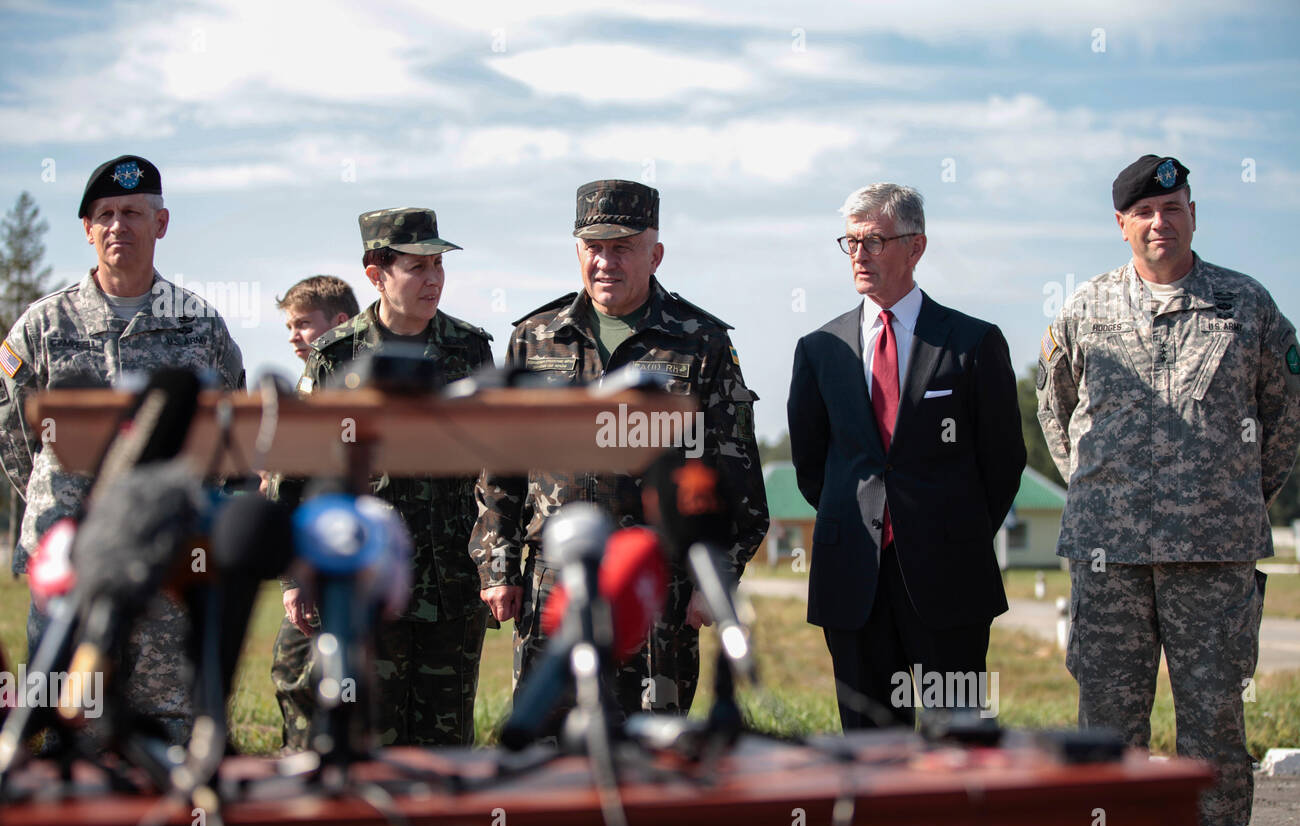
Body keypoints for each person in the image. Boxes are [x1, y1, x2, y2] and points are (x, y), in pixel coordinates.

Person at [1036, 155, 1300, 826]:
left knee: (1214, 729)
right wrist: (1101, 492)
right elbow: (1055, 409)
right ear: (1121, 225)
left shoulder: (1248, 306)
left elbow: (1284, 417)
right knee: (1107, 732)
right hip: (1107, 558)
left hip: (1214, 559)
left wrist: (1235, 495)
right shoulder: (1085, 308)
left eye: (1174, 207)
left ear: (1193, 214)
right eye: (1145, 213)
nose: (1161, 222)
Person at [472, 179, 769, 721]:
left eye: (622, 248)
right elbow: (499, 469)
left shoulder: (700, 342)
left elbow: (737, 477)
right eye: (593, 248)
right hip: (553, 586)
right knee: (549, 747)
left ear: (655, 255)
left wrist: (717, 579)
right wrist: (499, 567)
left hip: (661, 588)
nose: (605, 262)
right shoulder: (535, 338)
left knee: (652, 755)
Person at [0, 154, 245, 745]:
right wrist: (57, 497)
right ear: (87, 229)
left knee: (171, 724)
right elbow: (10, 429)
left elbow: (230, 435)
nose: (118, 226)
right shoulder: (43, 325)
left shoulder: (200, 326)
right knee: (64, 722)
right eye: (104, 214)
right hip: (72, 558)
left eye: (133, 213)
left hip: (167, 556)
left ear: (160, 224)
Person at [787, 183, 1024, 733]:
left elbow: (1003, 461)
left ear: (915, 247)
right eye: (851, 243)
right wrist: (868, 521)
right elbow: (813, 467)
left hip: (950, 579)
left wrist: (948, 530)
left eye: (874, 241)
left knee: (959, 743)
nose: (860, 256)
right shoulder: (821, 350)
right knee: (870, 752)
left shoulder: (972, 342)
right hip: (854, 583)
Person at [274, 208, 493, 748]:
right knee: (366, 738)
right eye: (417, 266)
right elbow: (294, 470)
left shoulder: (470, 349)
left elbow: (498, 465)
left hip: (452, 585)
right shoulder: (335, 355)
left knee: (448, 748)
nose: (434, 279)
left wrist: (496, 564)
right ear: (375, 272)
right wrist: (296, 577)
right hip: (363, 582)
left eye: (438, 264)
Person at [265, 275, 358, 751]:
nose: (293, 336)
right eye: (289, 326)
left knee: (305, 674)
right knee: (295, 673)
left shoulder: (351, 390)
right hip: (308, 569)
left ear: (340, 323)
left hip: (335, 567)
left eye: (303, 324)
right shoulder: (308, 388)